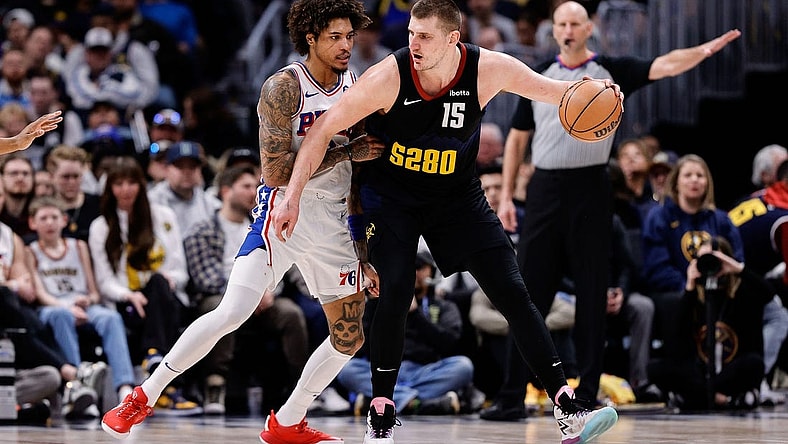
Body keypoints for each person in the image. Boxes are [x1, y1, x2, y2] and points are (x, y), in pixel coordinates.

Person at [269, 1, 620, 443]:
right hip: (393, 197)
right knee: (396, 287)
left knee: (513, 291)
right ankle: (380, 419)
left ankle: (568, 409)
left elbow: (559, 92)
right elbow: (321, 132)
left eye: (425, 36)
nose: (412, 42)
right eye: (412, 33)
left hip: (457, 197)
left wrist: (600, 92)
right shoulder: (389, 75)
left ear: (453, 39)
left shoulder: (489, 69)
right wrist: (291, 197)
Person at [101, 0, 383, 442]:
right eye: (335, 37)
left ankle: (288, 420)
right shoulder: (284, 87)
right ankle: (143, 395)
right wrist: (347, 150)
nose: (346, 45)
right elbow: (273, 173)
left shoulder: (360, 86)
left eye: (349, 36)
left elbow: (361, 179)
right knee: (232, 311)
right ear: (310, 37)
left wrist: (364, 252)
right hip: (283, 213)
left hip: (332, 222)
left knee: (349, 336)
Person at [488, 1, 741, 420]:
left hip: (591, 185)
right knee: (527, 296)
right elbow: (516, 140)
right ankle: (512, 394)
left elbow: (663, 65)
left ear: (589, 28)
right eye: (561, 24)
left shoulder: (610, 69)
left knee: (592, 296)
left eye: (575, 23)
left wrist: (703, 50)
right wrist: (504, 199)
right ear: (553, 31)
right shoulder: (536, 78)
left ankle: (586, 394)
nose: (568, 30)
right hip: (545, 190)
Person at [182, 165, 308, 415]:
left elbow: (279, 263)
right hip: (221, 295)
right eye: (247, 186)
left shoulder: (263, 226)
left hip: (263, 297)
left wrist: (267, 289)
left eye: (256, 186)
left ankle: (302, 388)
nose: (254, 192)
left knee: (291, 313)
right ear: (226, 191)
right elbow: (205, 278)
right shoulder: (202, 229)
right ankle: (214, 386)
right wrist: (248, 291)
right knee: (220, 307)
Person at [88, 157, 199, 415]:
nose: (125, 189)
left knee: (160, 284)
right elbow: (105, 282)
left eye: (131, 183)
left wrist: (171, 280)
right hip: (127, 304)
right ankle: (165, 380)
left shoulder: (163, 217)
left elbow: (179, 270)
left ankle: (153, 356)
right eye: (119, 184)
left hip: (166, 298)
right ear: (109, 190)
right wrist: (129, 295)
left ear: (141, 186)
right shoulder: (101, 227)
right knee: (152, 299)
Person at [25, 196, 136, 405]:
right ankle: (77, 386)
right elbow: (40, 294)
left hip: (82, 303)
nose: (49, 222)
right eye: (43, 218)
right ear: (33, 223)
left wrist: (87, 300)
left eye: (54, 217)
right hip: (52, 306)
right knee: (62, 315)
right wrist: (67, 306)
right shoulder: (31, 251)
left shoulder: (78, 246)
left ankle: (125, 387)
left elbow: (94, 291)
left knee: (111, 318)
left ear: (64, 220)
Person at [337, 251, 473, 416]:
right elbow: (360, 347)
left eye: (418, 267)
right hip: (384, 370)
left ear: (431, 271)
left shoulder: (444, 306)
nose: (412, 273)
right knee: (347, 369)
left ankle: (386, 401)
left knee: (463, 366)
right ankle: (416, 403)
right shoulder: (378, 304)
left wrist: (415, 315)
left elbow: (449, 343)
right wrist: (374, 307)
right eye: (407, 267)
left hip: (425, 370)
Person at [648, 236, 772, 410]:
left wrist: (737, 268)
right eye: (703, 259)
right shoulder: (694, 297)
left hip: (731, 371)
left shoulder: (742, 292)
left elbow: (768, 293)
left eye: (715, 258)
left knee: (754, 364)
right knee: (655, 368)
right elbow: (675, 338)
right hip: (700, 373)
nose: (710, 264)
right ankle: (723, 399)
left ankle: (694, 398)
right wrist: (690, 285)